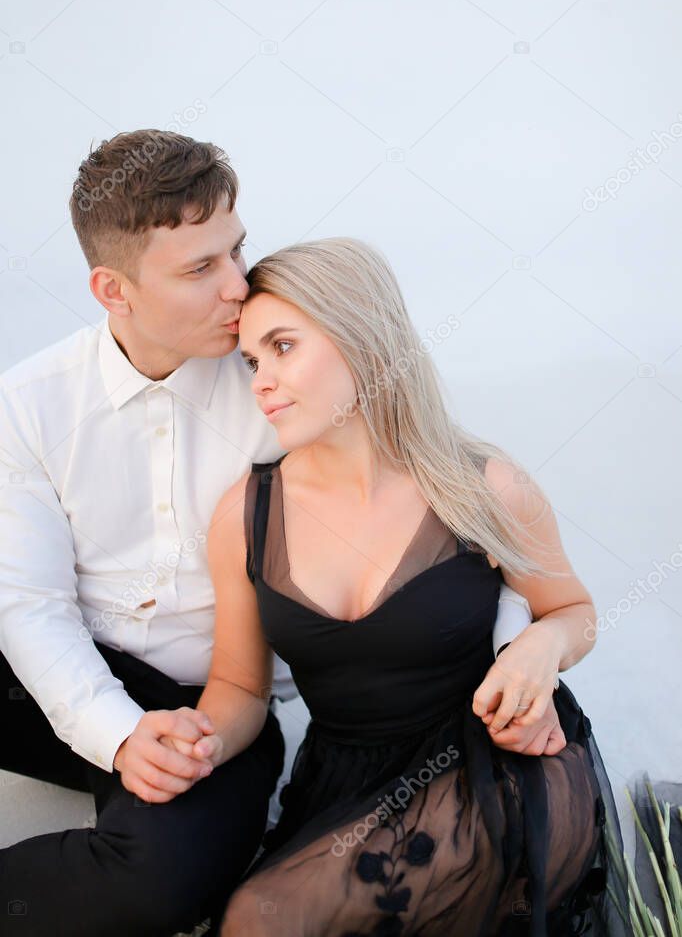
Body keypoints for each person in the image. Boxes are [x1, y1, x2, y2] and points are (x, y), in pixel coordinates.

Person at [0, 131, 539, 937]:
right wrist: (114, 734)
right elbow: (29, 607)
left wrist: (515, 645)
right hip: (65, 681)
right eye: (199, 269)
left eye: (235, 250)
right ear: (113, 290)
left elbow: (419, 499)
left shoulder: (278, 382)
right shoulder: (30, 403)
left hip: (212, 703)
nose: (236, 285)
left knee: (164, 883)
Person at [172, 238, 634, 936]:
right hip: (347, 783)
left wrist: (539, 644)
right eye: (251, 361)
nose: (261, 379)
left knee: (258, 919)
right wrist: (192, 743)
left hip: (491, 763)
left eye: (284, 347)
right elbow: (240, 685)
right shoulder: (247, 511)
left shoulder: (483, 485)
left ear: (358, 333)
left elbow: (574, 610)